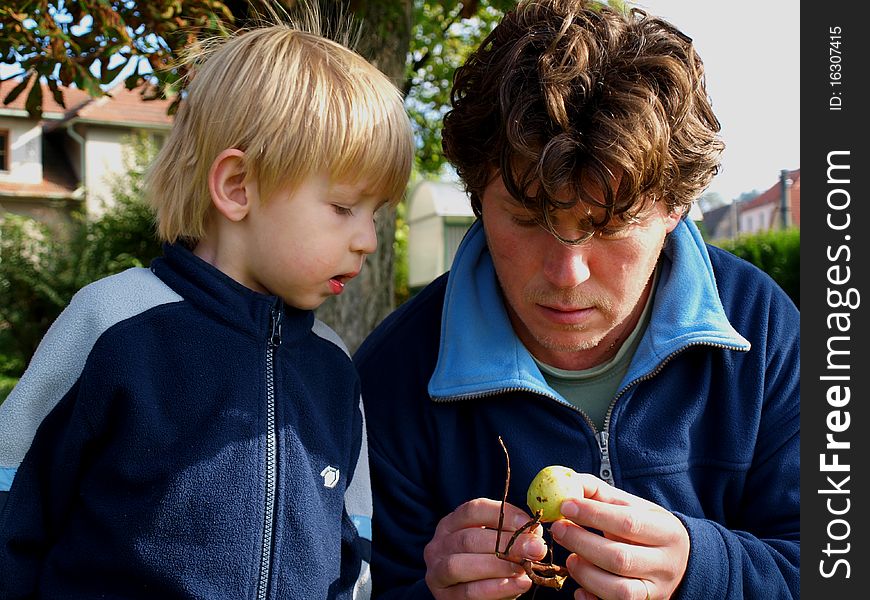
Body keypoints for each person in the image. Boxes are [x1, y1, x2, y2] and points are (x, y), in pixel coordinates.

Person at [354, 1, 799, 598]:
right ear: (477, 196)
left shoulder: (767, 334)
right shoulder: (393, 372)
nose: (567, 273)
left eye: (609, 226)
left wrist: (703, 569)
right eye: (527, 218)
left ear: (675, 207)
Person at [0, 17, 413, 598]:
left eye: (376, 213)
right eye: (345, 206)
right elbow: (13, 490)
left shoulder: (334, 368)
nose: (368, 239)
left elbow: (354, 540)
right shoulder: (114, 324)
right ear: (238, 186)